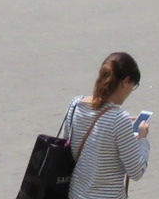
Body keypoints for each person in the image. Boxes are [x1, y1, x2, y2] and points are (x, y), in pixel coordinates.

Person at [61, 51, 151, 199]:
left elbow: (69, 148)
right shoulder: (119, 119)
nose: (130, 91)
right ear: (126, 81)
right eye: (133, 86)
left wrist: (122, 133)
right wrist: (142, 139)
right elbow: (136, 171)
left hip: (76, 194)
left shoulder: (75, 104)